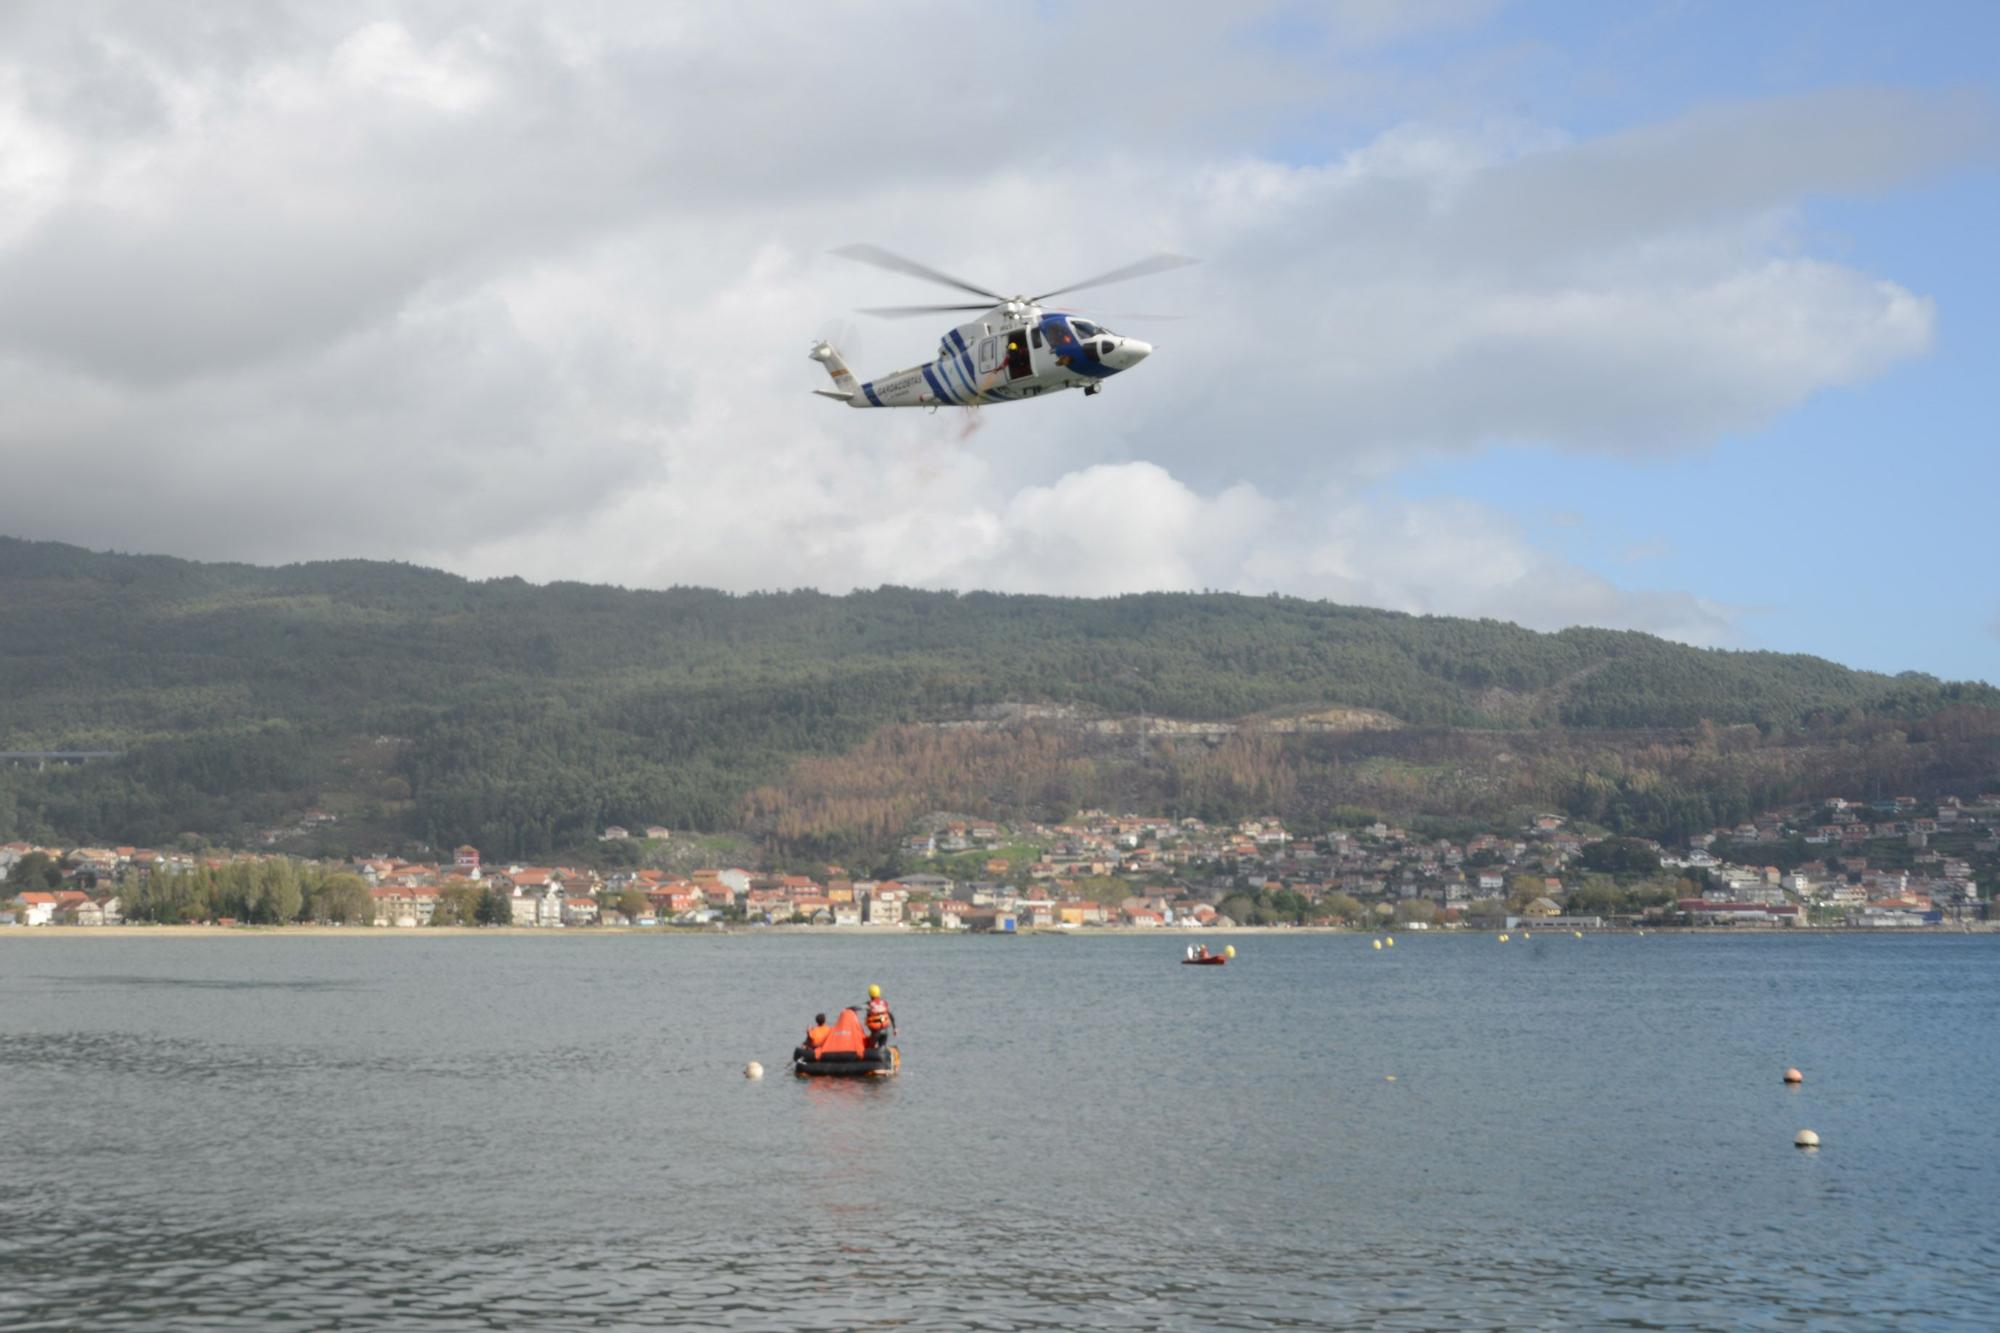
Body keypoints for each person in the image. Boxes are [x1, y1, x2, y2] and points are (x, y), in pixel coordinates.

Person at [863, 984, 896, 1053]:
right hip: (885, 1032)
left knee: (870, 1050)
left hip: (875, 1032)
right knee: (882, 1050)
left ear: (870, 994)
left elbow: (865, 1011)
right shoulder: (884, 1003)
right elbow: (890, 1015)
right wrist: (894, 1028)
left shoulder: (868, 1004)